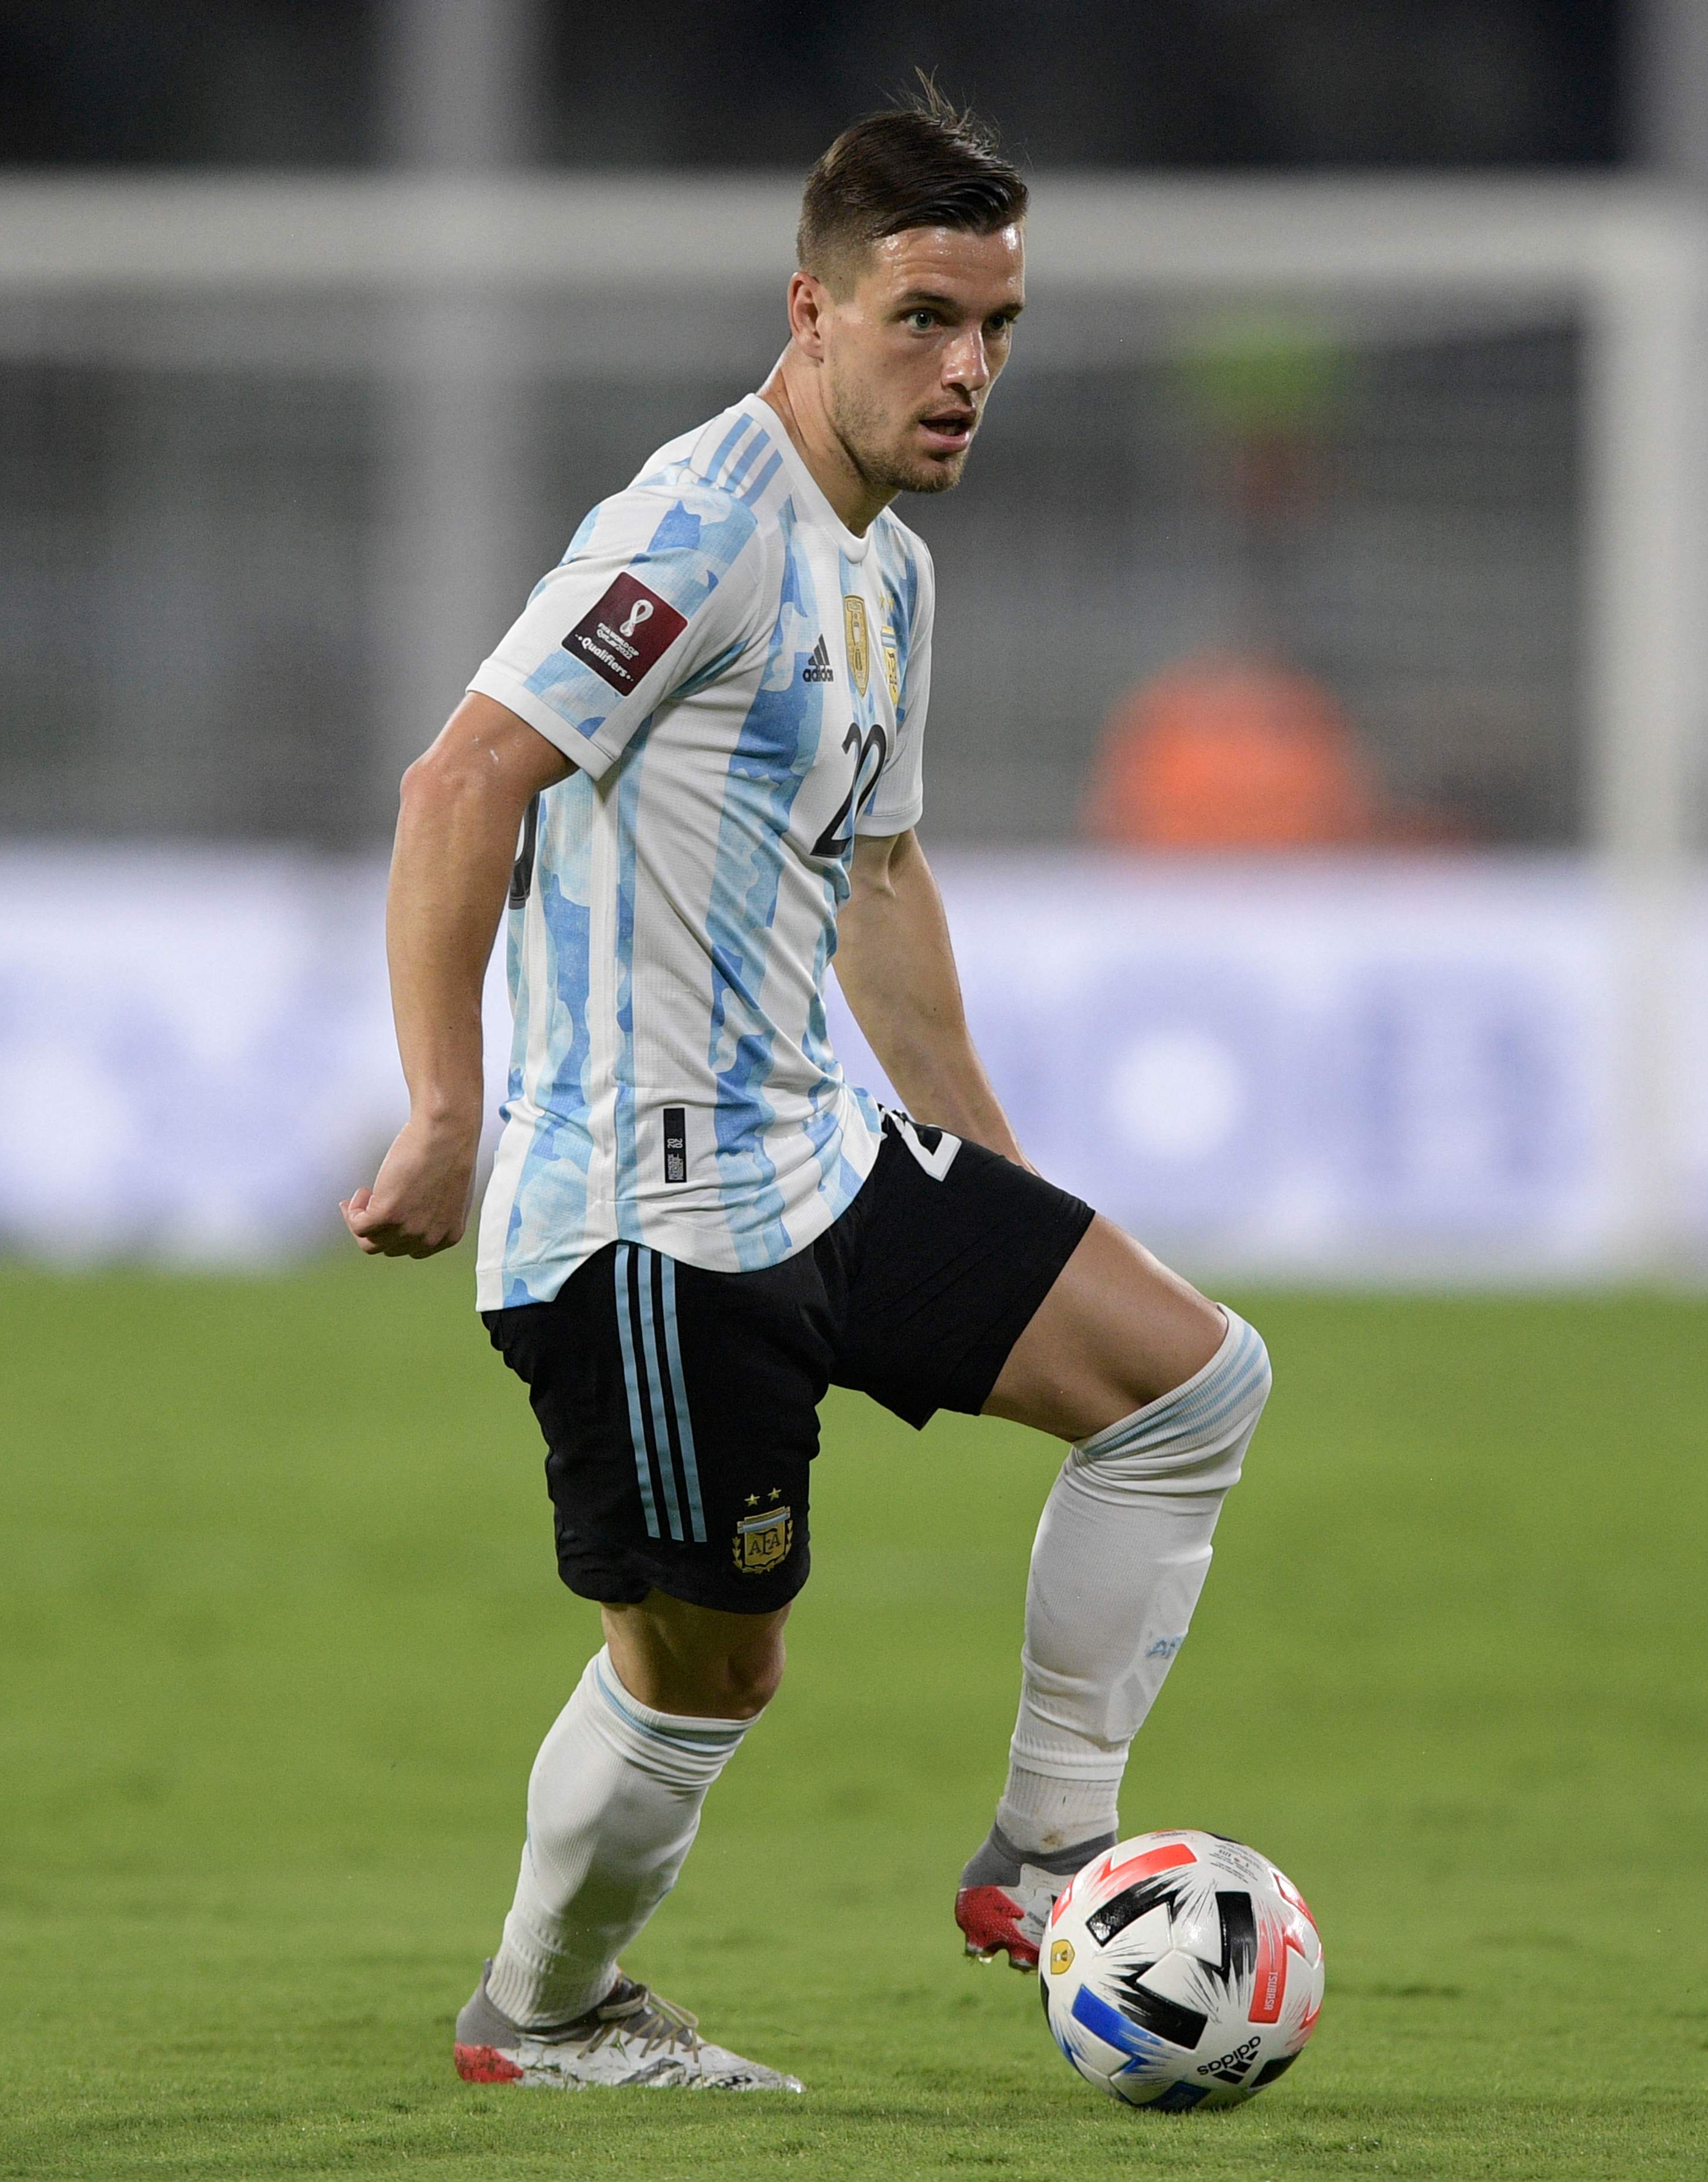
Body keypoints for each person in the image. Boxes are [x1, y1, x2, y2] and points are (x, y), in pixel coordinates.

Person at [339, 89, 1271, 2093]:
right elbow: (458, 782)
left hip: (818, 1159)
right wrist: (442, 1105)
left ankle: (1045, 1852)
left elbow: (880, 879)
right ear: (810, 308)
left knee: (1187, 1384)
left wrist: (1005, 1188)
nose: (965, 372)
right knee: (705, 1676)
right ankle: (545, 2010)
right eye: (925, 318)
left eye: (996, 328)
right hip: (641, 1219)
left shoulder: (886, 576)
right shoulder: (694, 524)